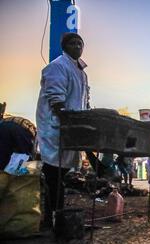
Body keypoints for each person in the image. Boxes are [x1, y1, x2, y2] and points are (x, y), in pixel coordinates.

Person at [36, 32, 90, 226]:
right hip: (56, 127)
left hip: (70, 128)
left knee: (61, 172)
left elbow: (83, 100)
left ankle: (55, 214)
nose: (77, 46)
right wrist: (66, 119)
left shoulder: (81, 71)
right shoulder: (57, 66)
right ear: (64, 47)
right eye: (73, 43)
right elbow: (56, 99)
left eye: (80, 43)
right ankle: (50, 217)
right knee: (53, 173)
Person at [0, 102, 36, 170]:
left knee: (4, 159)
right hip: (27, 130)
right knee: (24, 159)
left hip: (13, 130)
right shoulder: (7, 121)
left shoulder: (4, 124)